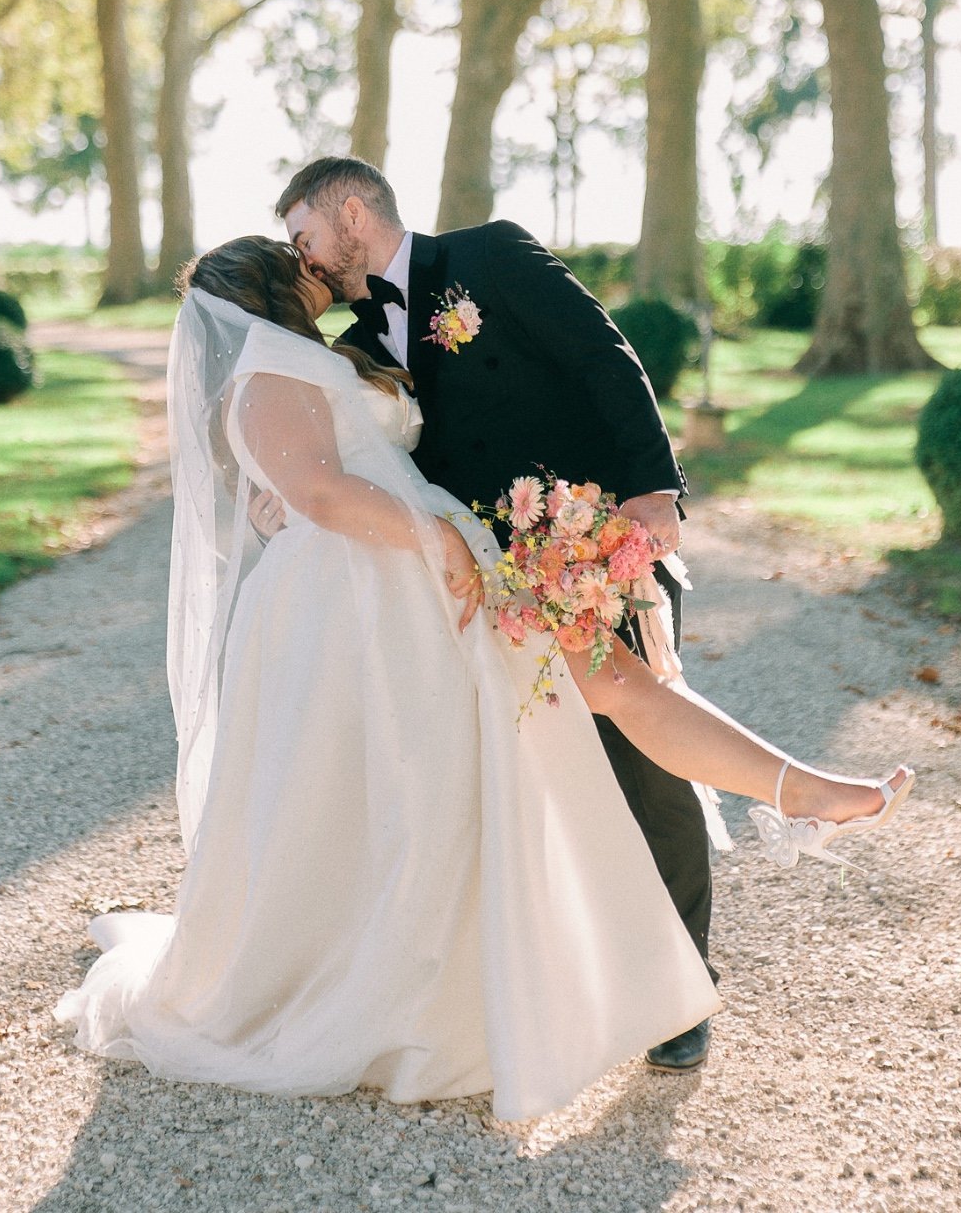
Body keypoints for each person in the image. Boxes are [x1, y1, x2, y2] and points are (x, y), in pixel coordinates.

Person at [55, 237, 912, 1122]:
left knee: (605, 689)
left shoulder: (332, 349)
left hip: (433, 569)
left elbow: (391, 451)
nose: (310, 257)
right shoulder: (269, 371)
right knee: (494, 753)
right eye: (295, 254)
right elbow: (319, 497)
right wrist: (453, 544)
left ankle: (799, 791)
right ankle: (439, 990)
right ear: (271, 285)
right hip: (382, 589)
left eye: (306, 237)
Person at [278, 157, 711, 1069]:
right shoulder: (348, 340)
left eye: (306, 236)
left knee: (647, 764)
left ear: (353, 212)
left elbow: (607, 359)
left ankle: (681, 999)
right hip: (484, 586)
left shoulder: (493, 255)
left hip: (595, 549)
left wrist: (654, 490)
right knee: (531, 778)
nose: (303, 258)